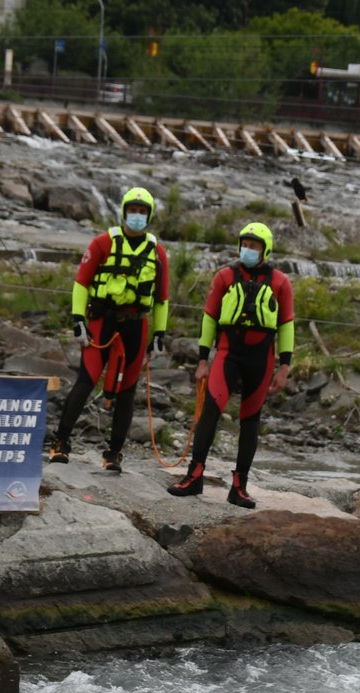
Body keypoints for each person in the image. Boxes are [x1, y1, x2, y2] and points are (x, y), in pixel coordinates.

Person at [168, 222, 295, 509]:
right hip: (228, 354)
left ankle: (239, 486)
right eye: (245, 244)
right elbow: (210, 318)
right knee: (211, 411)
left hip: (261, 359)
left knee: (250, 420)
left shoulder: (280, 283)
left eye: (255, 246)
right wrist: (202, 360)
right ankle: (195, 475)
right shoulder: (225, 276)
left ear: (266, 249)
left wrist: (285, 367)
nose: (248, 250)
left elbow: (286, 326)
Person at [46, 186, 171, 473]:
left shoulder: (158, 253)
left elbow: (162, 299)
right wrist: (78, 320)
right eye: (133, 211)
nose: (137, 216)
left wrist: (159, 335)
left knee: (128, 390)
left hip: (136, 326)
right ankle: (61, 443)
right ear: (124, 212)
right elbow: (81, 283)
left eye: (142, 212)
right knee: (86, 380)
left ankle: (114, 453)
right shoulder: (103, 243)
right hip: (102, 323)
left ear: (149, 216)